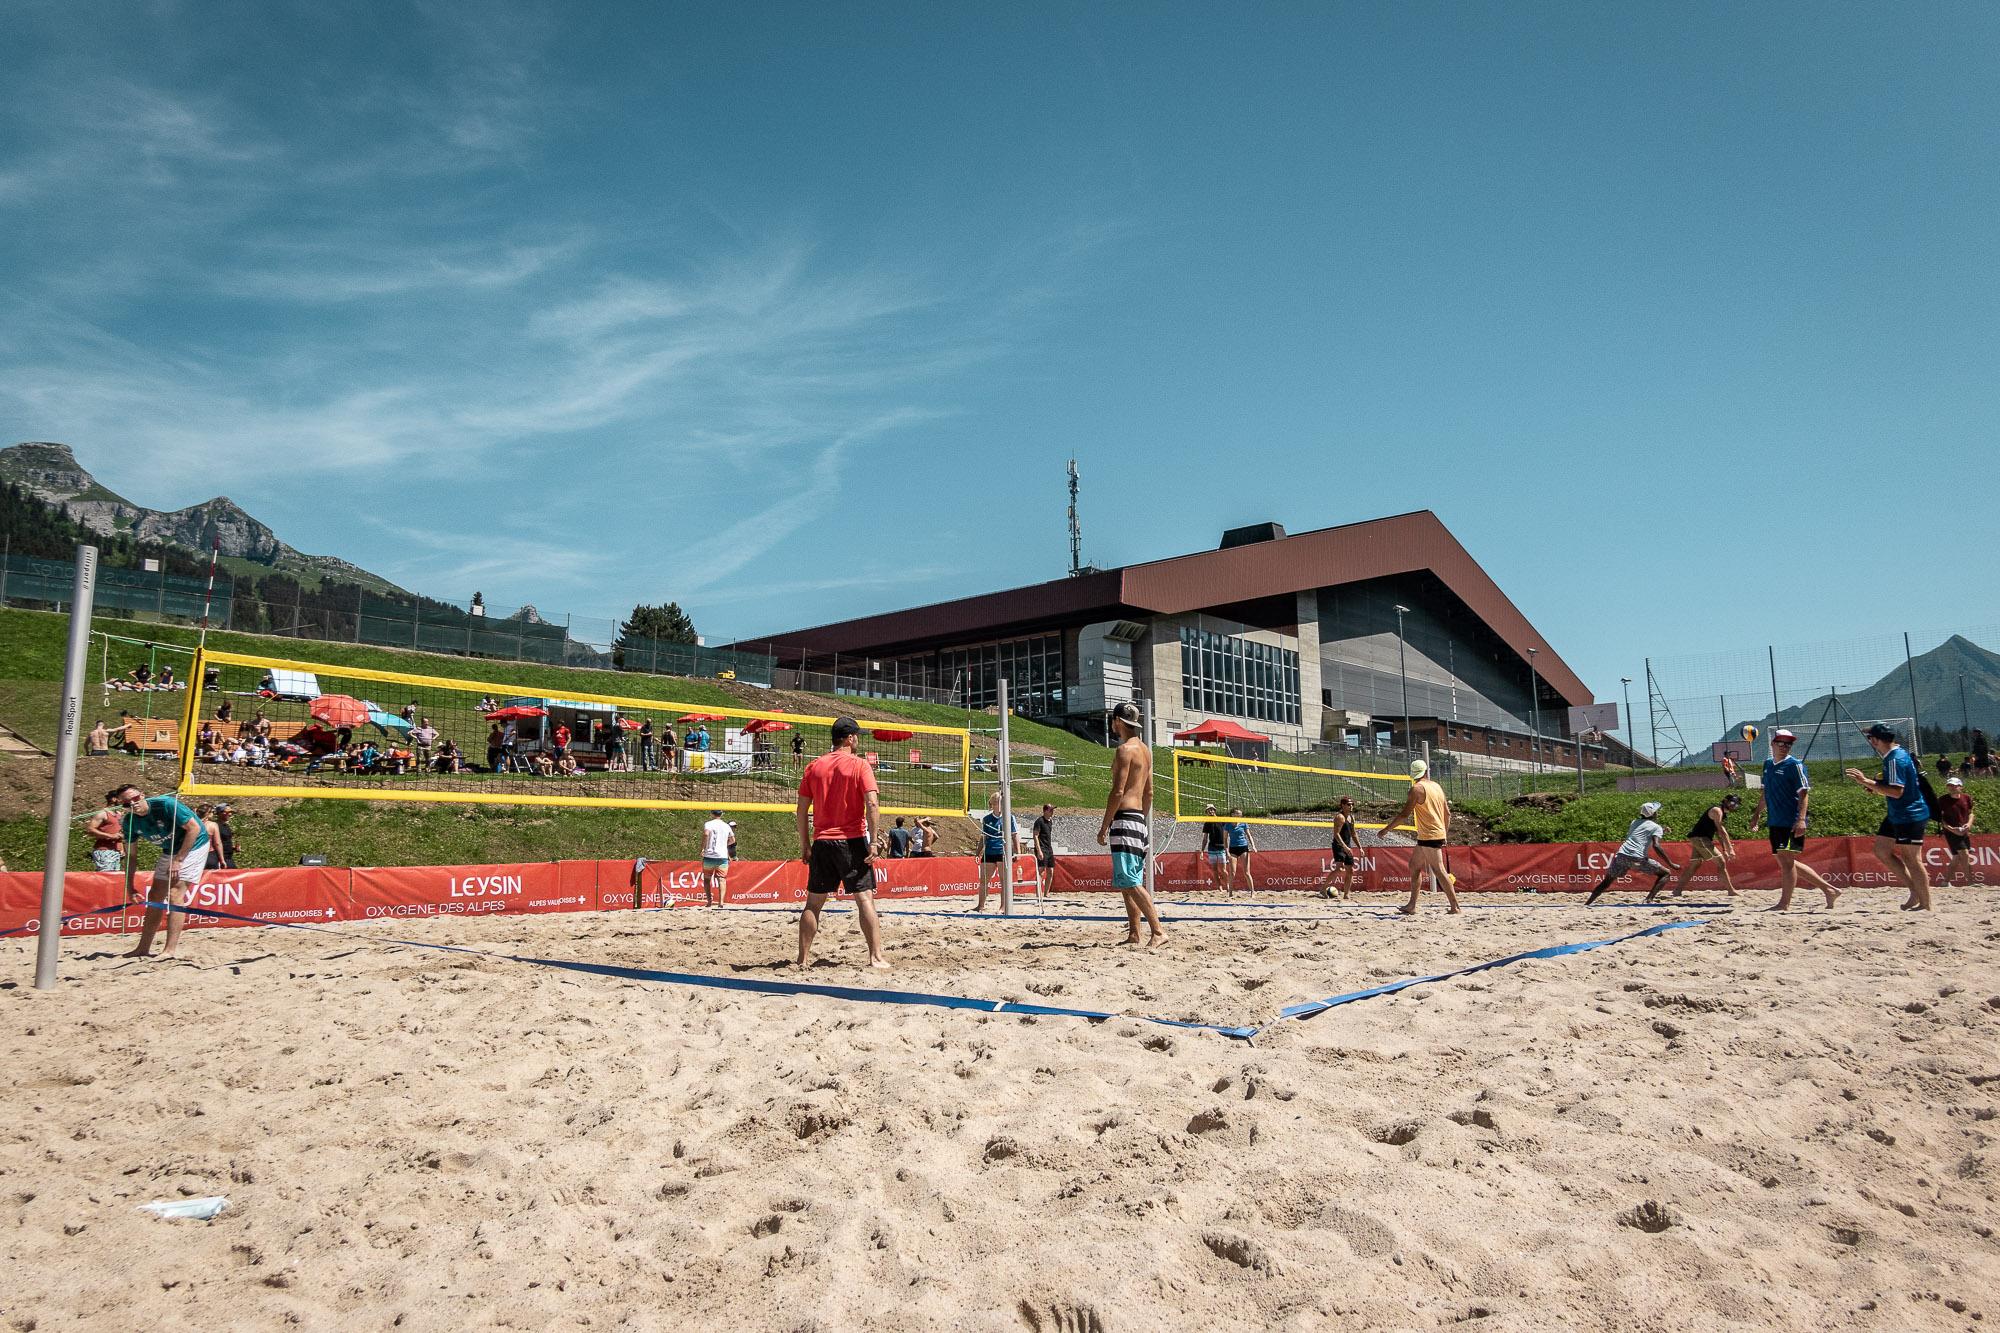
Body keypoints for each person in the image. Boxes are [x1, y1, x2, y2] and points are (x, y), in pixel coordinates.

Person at [795, 717, 890, 968]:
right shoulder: (860, 765)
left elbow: (801, 810)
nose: (858, 740)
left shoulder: (814, 766)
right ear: (849, 738)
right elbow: (872, 804)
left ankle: (802, 958)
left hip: (823, 842)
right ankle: (876, 957)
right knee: (865, 899)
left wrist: (805, 844)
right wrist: (872, 843)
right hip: (852, 840)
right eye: (857, 736)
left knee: (813, 903)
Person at [1096, 701, 1166, 946]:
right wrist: (1142, 820)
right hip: (1138, 818)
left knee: (1130, 881)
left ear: (1116, 721)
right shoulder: (1146, 750)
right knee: (1128, 881)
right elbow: (1149, 793)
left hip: (1125, 819)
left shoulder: (1125, 750)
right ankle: (1134, 933)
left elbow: (1117, 791)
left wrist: (1105, 825)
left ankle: (1158, 931)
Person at [112, 783, 210, 959]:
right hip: (170, 849)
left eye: (135, 799)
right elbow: (131, 857)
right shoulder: (129, 822)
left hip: (195, 844)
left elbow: (194, 828)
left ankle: (169, 950)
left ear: (142, 795)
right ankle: (142, 948)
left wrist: (179, 860)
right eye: (127, 804)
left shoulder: (165, 804)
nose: (133, 804)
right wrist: (130, 887)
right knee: (155, 896)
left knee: (175, 894)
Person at [1748, 728, 1841, 910]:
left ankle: (1784, 903)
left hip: (1790, 820)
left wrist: (1801, 820)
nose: (1784, 746)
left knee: (1786, 861)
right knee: (1785, 861)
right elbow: (1765, 792)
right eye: (1781, 743)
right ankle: (1829, 890)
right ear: (1773, 744)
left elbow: (1804, 794)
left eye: (1788, 744)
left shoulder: (1795, 765)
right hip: (1775, 820)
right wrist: (1757, 814)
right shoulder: (1768, 764)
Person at [1846, 722, 1933, 911]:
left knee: (1912, 859)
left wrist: (1866, 781)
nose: (1869, 741)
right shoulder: (1895, 755)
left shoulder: (1895, 759)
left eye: (1870, 738)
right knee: (1881, 851)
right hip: (1898, 813)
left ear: (1876, 740)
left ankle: (1926, 905)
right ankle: (1914, 890)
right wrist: (1876, 786)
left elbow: (1896, 792)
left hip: (1910, 813)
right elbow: (1895, 788)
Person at [1381, 759, 1459, 915]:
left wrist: (1386, 830)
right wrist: (1444, 833)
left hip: (1429, 835)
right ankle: (1412, 905)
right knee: (1414, 866)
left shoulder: (1416, 789)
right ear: (1426, 771)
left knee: (1439, 870)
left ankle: (1455, 906)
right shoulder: (1436, 786)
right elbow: (1448, 813)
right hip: (1431, 834)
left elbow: (1404, 815)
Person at [1586, 801, 1678, 904]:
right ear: (1653, 814)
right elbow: (1656, 845)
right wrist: (1670, 863)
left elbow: (1643, 831)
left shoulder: (1634, 822)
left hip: (1621, 856)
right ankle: (1649, 899)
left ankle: (1588, 903)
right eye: (1656, 811)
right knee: (1666, 873)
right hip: (1637, 858)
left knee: (1606, 882)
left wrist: (1662, 830)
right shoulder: (1656, 827)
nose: (1658, 813)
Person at [1657, 794, 1741, 899]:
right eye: (1732, 803)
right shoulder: (1717, 811)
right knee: (1721, 862)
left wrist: (1725, 849)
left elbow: (1719, 833)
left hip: (1698, 838)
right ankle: (1731, 891)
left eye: (1736, 805)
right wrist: (1731, 849)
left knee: (1695, 865)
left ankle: (1677, 891)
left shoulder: (1721, 813)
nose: (1734, 806)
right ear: (1725, 801)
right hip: (1701, 838)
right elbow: (1722, 831)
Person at [1935, 775, 1979, 887]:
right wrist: (1950, 828)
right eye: (1949, 785)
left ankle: (1945, 882)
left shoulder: (1966, 798)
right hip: (1951, 832)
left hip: (1964, 831)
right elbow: (1939, 818)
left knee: (1957, 857)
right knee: (1964, 854)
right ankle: (1970, 882)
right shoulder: (1942, 800)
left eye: (1954, 785)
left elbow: (1971, 813)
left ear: (1960, 786)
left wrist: (1969, 824)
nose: (1952, 788)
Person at [1316, 796, 1360, 900]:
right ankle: (1323, 888)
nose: (1351, 806)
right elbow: (1336, 834)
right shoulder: (1339, 817)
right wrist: (1344, 847)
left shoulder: (1351, 817)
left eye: (1352, 804)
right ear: (1343, 805)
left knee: (1350, 870)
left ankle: (1346, 894)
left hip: (1347, 846)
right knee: (1339, 868)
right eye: (1349, 804)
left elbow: (1354, 834)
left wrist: (1360, 847)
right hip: (1339, 846)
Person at [973, 791, 1010, 911]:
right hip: (989, 852)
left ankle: (1003, 907)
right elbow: (983, 837)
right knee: (983, 881)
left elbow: (1014, 835)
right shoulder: (987, 819)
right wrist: (978, 852)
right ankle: (981, 905)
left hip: (1001, 851)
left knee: (1004, 881)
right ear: (993, 804)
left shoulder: (1008, 817)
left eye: (1000, 803)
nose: (999, 805)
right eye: (997, 803)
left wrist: (1015, 851)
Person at [700, 810, 732, 906]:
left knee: (707, 879)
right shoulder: (727, 826)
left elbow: (706, 834)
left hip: (709, 855)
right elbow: (732, 840)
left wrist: (702, 848)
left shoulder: (708, 824)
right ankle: (721, 902)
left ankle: (709, 902)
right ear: (721, 814)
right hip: (722, 856)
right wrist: (723, 845)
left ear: (712, 814)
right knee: (722, 879)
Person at [83, 804, 125, 873]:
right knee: (106, 877)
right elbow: (90, 830)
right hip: (105, 851)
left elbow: (119, 833)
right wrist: (110, 836)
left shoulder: (118, 814)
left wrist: (121, 848)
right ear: (114, 799)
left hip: (116, 851)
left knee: (115, 878)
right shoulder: (103, 814)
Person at [1198, 804, 1230, 892]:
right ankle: (1220, 887)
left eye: (1212, 810)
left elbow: (1226, 836)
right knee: (1214, 870)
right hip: (1212, 848)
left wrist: (1227, 849)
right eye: (1208, 810)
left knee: (1223, 870)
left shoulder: (1222, 820)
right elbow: (1205, 838)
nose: (1210, 811)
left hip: (1221, 848)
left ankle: (1227, 885)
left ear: (1214, 810)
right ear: (1206, 812)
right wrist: (1202, 851)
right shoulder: (1207, 823)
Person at [1225, 807, 1257, 892]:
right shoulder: (1228, 824)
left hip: (1243, 847)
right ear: (1233, 815)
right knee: (1232, 873)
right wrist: (1227, 851)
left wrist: (1253, 846)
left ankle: (1252, 892)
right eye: (1238, 814)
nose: (1240, 816)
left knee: (1246, 872)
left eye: (1240, 815)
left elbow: (1249, 835)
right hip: (1233, 849)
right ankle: (1230, 893)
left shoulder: (1243, 823)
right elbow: (1225, 839)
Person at [1032, 802, 1057, 897]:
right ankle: (1038, 894)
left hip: (1048, 848)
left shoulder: (1050, 821)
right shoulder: (1039, 821)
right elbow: (1035, 836)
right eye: (1051, 810)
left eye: (1052, 810)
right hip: (1042, 848)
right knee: (1041, 871)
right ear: (1045, 811)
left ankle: (1046, 893)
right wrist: (1039, 850)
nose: (1052, 812)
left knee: (1050, 870)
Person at [211, 803, 237, 869]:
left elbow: (224, 842)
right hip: (221, 859)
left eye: (231, 812)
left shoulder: (226, 826)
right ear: (220, 813)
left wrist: (233, 848)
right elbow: (216, 843)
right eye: (228, 812)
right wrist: (221, 860)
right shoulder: (216, 826)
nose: (230, 814)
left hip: (228, 858)